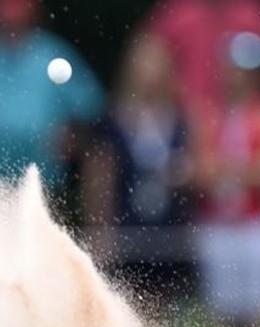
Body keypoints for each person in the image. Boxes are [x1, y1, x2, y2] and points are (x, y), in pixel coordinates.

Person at [192, 32, 260, 327]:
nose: (240, 76)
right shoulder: (210, 116)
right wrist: (250, 169)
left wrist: (231, 170)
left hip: (258, 223)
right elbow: (201, 173)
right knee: (220, 313)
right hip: (218, 225)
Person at [81, 33, 193, 306]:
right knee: (127, 302)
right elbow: (98, 178)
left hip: (168, 226)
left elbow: (198, 167)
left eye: (156, 65)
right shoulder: (113, 119)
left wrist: (186, 174)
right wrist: (100, 227)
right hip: (126, 227)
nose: (149, 74)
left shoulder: (179, 118)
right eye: (144, 64)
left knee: (164, 304)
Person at [0, 0, 104, 186]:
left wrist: (72, 136)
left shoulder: (55, 54)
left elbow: (92, 112)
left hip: (43, 184)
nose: (10, 13)